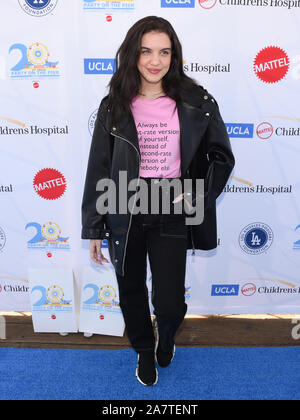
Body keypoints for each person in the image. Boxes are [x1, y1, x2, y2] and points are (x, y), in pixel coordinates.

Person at [81, 16, 235, 386]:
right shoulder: (114, 105)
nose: (155, 60)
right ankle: (145, 350)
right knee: (130, 288)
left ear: (174, 55)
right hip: (124, 206)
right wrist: (94, 226)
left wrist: (196, 191)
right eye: (147, 51)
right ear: (133, 54)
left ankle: (166, 335)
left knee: (168, 301)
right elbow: (100, 166)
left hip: (171, 208)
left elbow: (221, 156)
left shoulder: (197, 102)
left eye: (164, 52)